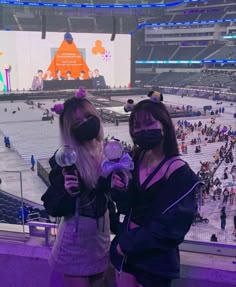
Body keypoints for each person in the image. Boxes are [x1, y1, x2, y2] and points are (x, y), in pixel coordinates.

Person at [110, 93, 201, 287]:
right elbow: (128, 207)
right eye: (136, 126)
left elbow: (171, 228)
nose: (141, 131)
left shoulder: (179, 172)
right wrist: (121, 191)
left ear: (165, 126)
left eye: (149, 124)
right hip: (127, 256)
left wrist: (126, 244)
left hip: (154, 261)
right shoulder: (135, 159)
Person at [41, 89, 111, 287]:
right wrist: (68, 192)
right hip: (75, 240)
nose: (85, 124)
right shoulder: (64, 159)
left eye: (88, 117)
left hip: (101, 237)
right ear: (69, 130)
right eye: (77, 123)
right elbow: (53, 205)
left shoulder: (105, 151)